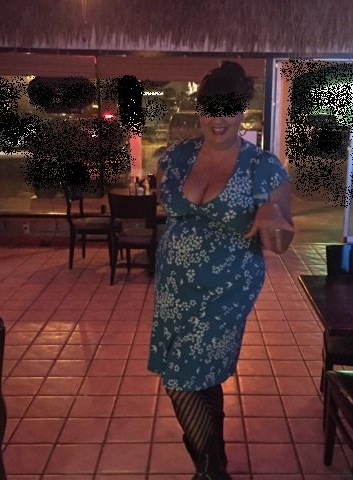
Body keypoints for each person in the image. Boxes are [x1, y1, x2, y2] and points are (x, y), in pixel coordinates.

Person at [148, 60, 294, 479]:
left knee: (180, 381)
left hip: (226, 293)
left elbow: (280, 244)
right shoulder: (174, 158)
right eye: (211, 108)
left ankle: (212, 472)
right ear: (200, 110)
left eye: (229, 108)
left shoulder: (263, 167)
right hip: (175, 292)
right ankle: (213, 465)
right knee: (202, 380)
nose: (219, 118)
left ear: (242, 111)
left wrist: (272, 216)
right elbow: (167, 210)